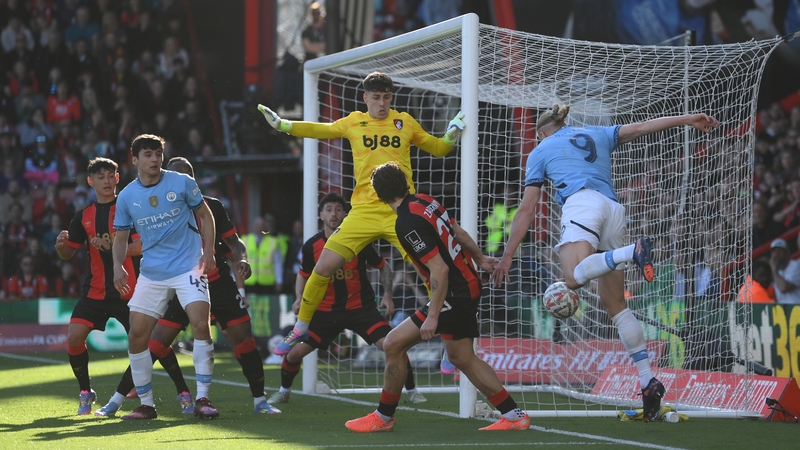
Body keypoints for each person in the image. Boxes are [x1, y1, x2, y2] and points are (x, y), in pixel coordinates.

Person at [491, 104, 720, 422]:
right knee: (615, 305)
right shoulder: (595, 133)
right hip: (613, 209)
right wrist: (687, 119)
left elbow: (527, 208)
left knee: (571, 278)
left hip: (581, 204)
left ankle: (631, 252)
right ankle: (647, 382)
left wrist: (507, 255)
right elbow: (641, 127)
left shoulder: (540, 149)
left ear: (542, 133)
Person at [257, 71, 465, 355]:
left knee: (430, 270)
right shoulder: (354, 121)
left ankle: (452, 338)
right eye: (376, 97)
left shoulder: (405, 123)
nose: (382, 103)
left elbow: (438, 148)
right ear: (366, 98)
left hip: (399, 211)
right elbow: (323, 129)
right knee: (323, 268)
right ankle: (301, 327)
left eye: (387, 97)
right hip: (363, 212)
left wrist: (451, 135)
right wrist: (284, 125)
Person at [343, 162, 529, 433]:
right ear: (405, 181)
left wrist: (432, 316)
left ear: (378, 195)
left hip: (454, 292)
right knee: (462, 356)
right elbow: (458, 232)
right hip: (468, 284)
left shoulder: (405, 223)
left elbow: (439, 268)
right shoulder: (426, 201)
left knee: (393, 344)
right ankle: (514, 415)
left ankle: (383, 418)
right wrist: (480, 259)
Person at [96, 157, 280, 416]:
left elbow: (234, 241)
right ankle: (118, 399)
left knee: (243, 338)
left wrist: (242, 258)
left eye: (188, 175)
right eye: (177, 174)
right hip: (179, 281)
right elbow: (141, 244)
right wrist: (118, 254)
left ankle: (260, 401)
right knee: (156, 341)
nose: (183, 180)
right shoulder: (158, 206)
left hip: (216, 282)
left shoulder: (212, 206)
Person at [268, 192, 426, 406]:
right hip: (325, 312)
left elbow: (383, 266)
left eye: (338, 209)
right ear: (321, 215)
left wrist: (387, 294)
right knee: (295, 353)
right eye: (329, 210)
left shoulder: (359, 240)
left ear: (345, 214)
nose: (334, 214)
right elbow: (303, 275)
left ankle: (413, 391)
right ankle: (284, 390)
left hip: (361, 309)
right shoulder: (311, 246)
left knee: (393, 345)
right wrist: (298, 298)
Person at [111, 134, 218, 420]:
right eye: (148, 154)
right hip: (153, 273)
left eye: (158, 153)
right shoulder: (127, 197)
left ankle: (203, 399)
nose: (155, 159)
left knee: (200, 324)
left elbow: (206, 216)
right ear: (134, 159)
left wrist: (208, 252)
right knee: (137, 334)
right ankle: (146, 404)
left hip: (188, 267)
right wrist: (117, 266)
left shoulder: (182, 182)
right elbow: (120, 238)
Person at [54, 157, 143, 415]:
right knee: (74, 338)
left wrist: (114, 247)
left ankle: (177, 390)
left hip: (128, 291)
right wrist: (60, 247)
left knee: (147, 344)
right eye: (100, 176)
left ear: (117, 179)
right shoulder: (83, 216)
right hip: (95, 291)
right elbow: (68, 254)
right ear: (90, 181)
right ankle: (85, 391)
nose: (106, 180)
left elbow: (141, 246)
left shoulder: (130, 210)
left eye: (110, 175)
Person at [241, 213, 285, 295]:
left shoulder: (273, 242)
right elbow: (237, 261)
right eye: (257, 225)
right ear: (253, 226)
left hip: (267, 283)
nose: (259, 228)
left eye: (262, 225)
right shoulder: (245, 240)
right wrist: (236, 280)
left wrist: (279, 280)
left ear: (265, 227)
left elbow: (278, 263)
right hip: (249, 281)